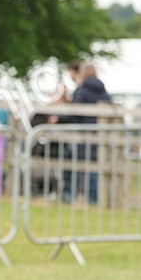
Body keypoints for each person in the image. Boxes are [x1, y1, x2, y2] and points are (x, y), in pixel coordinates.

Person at [57, 60, 111, 205]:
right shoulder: (103, 90)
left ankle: (70, 196)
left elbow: (74, 112)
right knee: (94, 167)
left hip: (83, 134)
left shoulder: (82, 90)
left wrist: (58, 118)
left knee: (76, 166)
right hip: (100, 134)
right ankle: (94, 199)